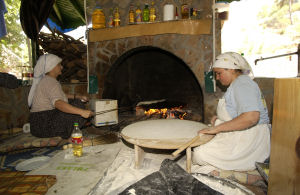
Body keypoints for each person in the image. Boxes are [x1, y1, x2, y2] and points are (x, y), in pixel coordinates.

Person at [193, 52, 270, 171]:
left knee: (200, 154)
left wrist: (216, 128)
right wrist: (218, 119)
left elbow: (251, 117)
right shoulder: (237, 84)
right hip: (243, 133)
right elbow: (235, 113)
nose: (217, 78)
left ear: (232, 70)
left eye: (219, 73)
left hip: (251, 139)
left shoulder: (242, 84)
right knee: (199, 152)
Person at [28, 53, 93, 139]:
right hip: (43, 125)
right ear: (51, 67)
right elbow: (58, 103)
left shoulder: (46, 80)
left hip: (37, 125)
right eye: (59, 65)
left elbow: (60, 95)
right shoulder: (50, 82)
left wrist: (77, 96)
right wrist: (82, 112)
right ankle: (71, 134)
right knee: (78, 105)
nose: (61, 67)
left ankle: (70, 132)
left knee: (75, 102)